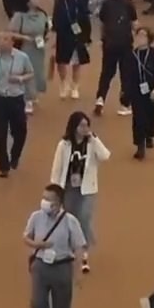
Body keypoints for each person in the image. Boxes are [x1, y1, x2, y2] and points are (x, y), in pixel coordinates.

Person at [24, 183, 87, 308]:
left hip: (62, 266)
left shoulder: (70, 221)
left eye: (48, 199)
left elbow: (79, 246)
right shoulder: (36, 217)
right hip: (41, 265)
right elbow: (26, 237)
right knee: (37, 304)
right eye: (43, 197)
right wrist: (36, 244)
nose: (44, 202)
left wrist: (77, 272)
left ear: (58, 203)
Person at [49, 111, 109, 272]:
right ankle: (70, 248)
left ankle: (84, 253)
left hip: (88, 188)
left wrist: (95, 139)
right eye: (82, 125)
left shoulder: (91, 143)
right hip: (69, 188)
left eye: (87, 125)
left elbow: (105, 156)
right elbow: (57, 168)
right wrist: (55, 190)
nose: (85, 128)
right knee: (70, 218)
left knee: (84, 217)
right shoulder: (64, 145)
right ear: (74, 126)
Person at [0, 33, 35, 176]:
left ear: (12, 42)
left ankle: (15, 155)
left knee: (20, 131)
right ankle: (3, 166)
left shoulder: (22, 57)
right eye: (0, 39)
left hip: (16, 98)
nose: (2, 42)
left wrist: (20, 78)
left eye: (6, 39)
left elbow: (30, 73)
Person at [94, 0, 138, 115]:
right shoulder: (129, 5)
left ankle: (100, 98)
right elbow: (135, 25)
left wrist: (102, 39)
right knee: (126, 73)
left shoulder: (106, 4)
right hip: (125, 43)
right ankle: (124, 105)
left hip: (109, 43)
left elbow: (102, 23)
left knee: (106, 72)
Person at [122, 26, 154, 158]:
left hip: (152, 89)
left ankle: (149, 135)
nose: (140, 38)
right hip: (136, 90)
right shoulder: (131, 55)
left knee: (152, 115)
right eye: (138, 35)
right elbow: (127, 75)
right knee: (138, 117)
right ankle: (140, 145)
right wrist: (126, 92)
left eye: (143, 35)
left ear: (149, 38)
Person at [8, 0, 51, 113]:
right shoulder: (19, 16)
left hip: (38, 48)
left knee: (37, 71)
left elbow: (47, 29)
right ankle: (27, 99)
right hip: (24, 48)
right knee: (26, 72)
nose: (36, 0)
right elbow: (11, 32)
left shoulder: (42, 14)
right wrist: (24, 37)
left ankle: (33, 94)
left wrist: (45, 38)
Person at [52, 0, 91, 98]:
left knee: (77, 62)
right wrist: (55, 36)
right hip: (64, 36)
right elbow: (55, 20)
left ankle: (75, 86)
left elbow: (86, 18)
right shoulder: (59, 2)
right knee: (61, 62)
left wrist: (87, 37)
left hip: (78, 35)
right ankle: (63, 83)